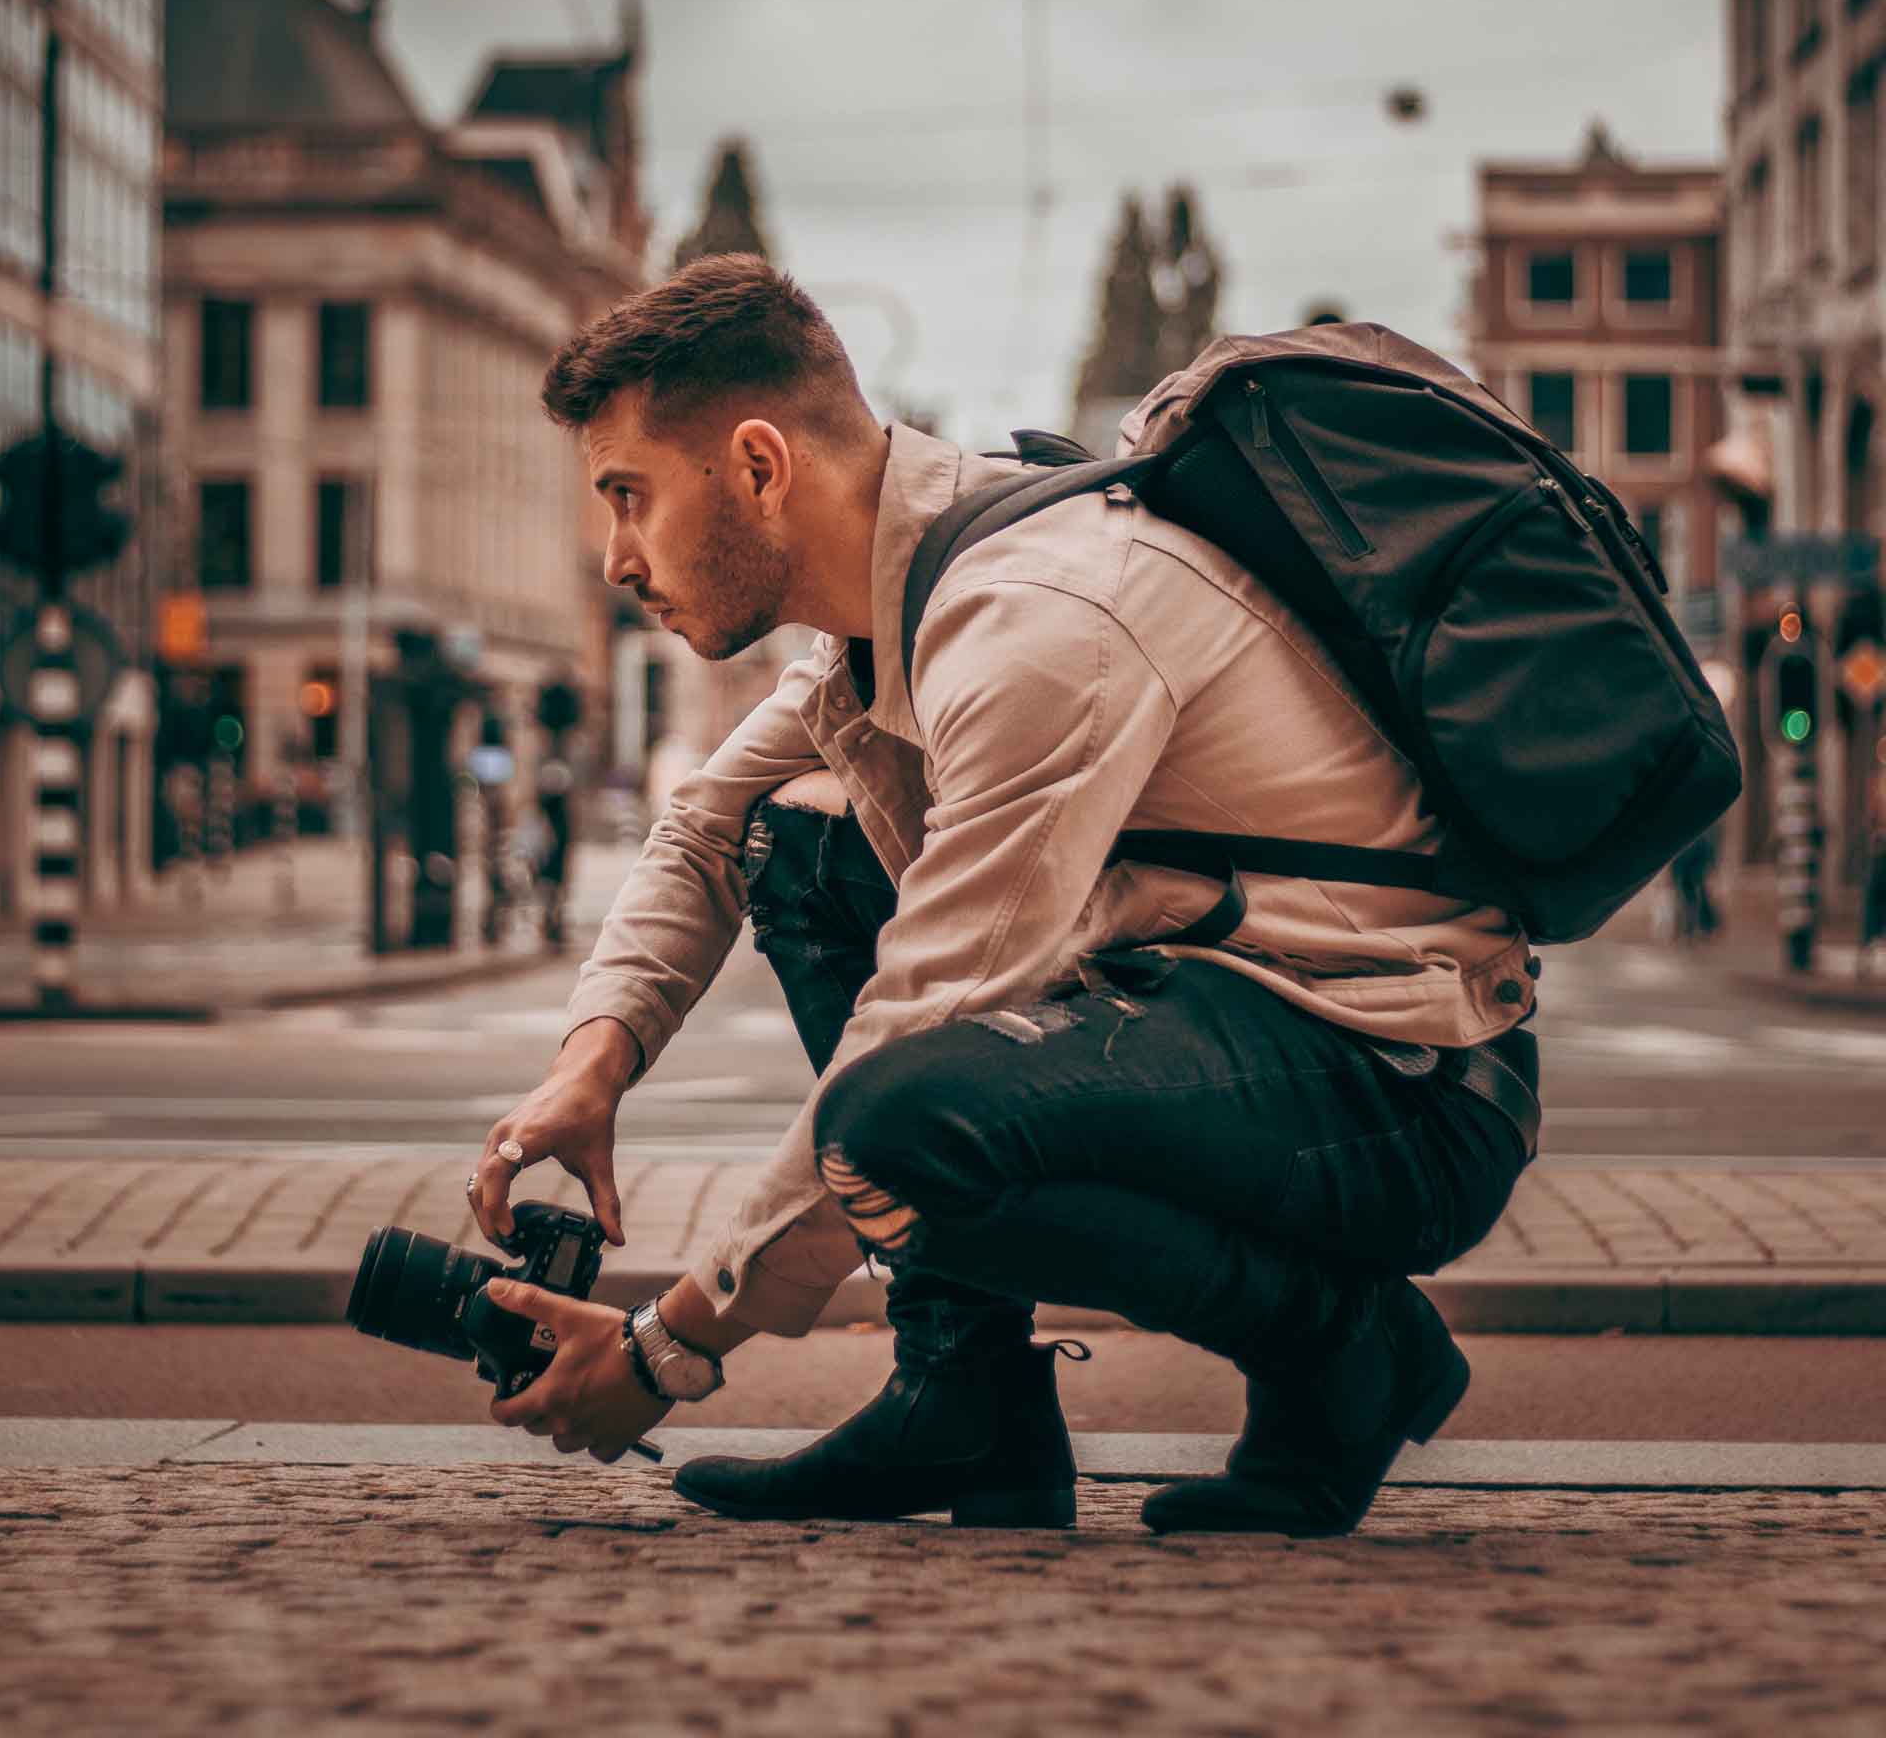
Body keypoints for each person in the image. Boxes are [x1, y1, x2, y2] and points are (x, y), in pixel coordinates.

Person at [468, 255, 1539, 1538]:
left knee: (904, 1118)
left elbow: (919, 1025)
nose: (615, 559)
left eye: (629, 498)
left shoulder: (1036, 622)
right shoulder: (896, 615)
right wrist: (596, 1059)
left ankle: (1346, 1350)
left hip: (1404, 1091)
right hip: (1246, 1022)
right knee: (795, 843)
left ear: (758, 466)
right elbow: (705, 821)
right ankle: (963, 1401)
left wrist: (663, 1352)